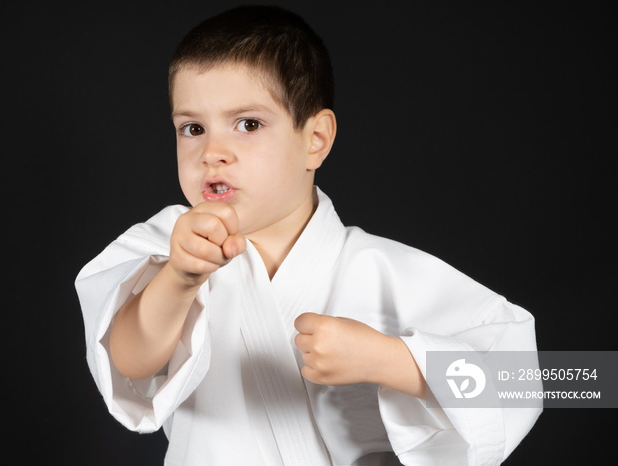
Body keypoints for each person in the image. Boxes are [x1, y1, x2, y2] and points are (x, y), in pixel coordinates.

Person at [75, 6, 541, 465]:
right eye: (192, 128)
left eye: (249, 124)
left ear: (315, 139)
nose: (212, 152)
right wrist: (178, 279)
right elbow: (127, 363)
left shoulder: (381, 270)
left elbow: (561, 381)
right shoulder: (168, 244)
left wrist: (393, 361)